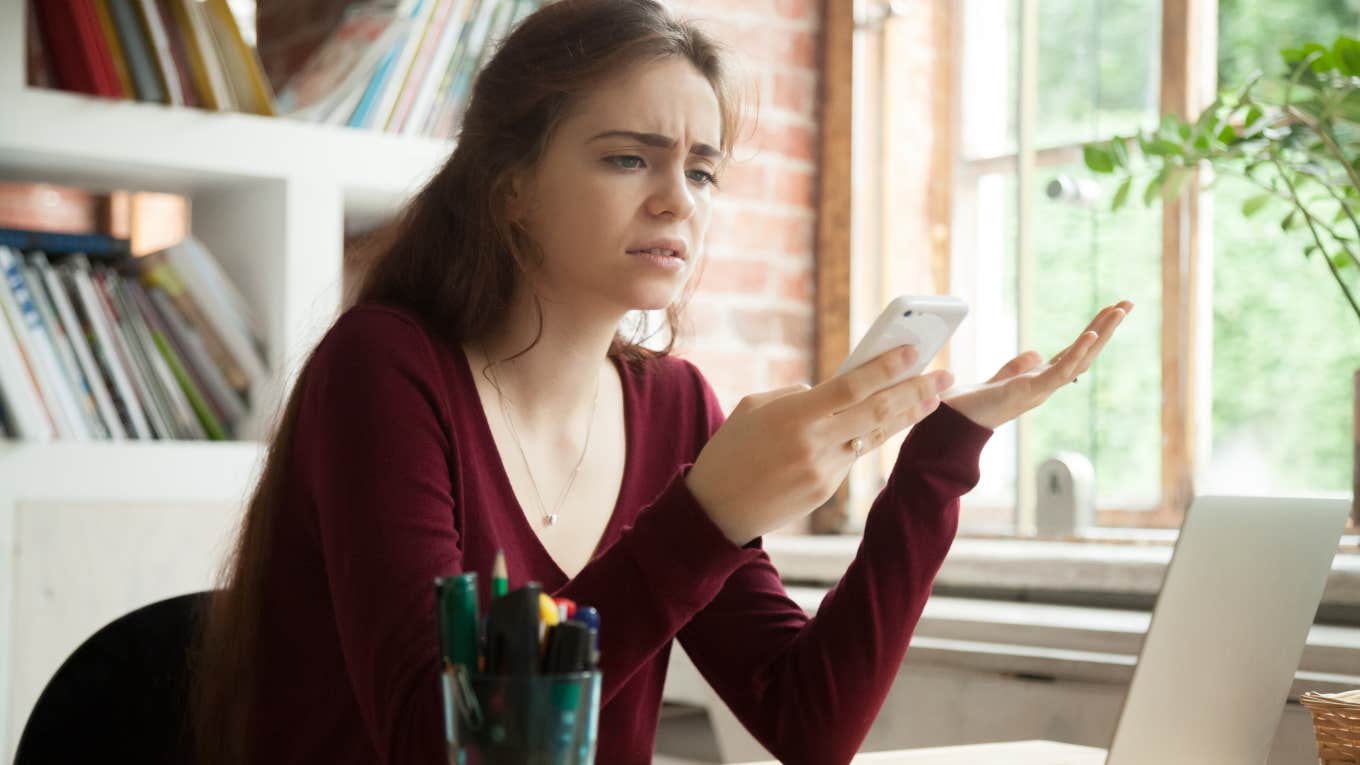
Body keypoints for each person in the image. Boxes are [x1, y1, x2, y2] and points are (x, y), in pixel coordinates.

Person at [190, 1, 1131, 763]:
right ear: (509, 187)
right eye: (628, 157)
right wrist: (707, 515)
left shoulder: (674, 406)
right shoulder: (384, 368)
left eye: (703, 170)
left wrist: (938, 459)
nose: (678, 198)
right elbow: (446, 746)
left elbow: (809, 718)